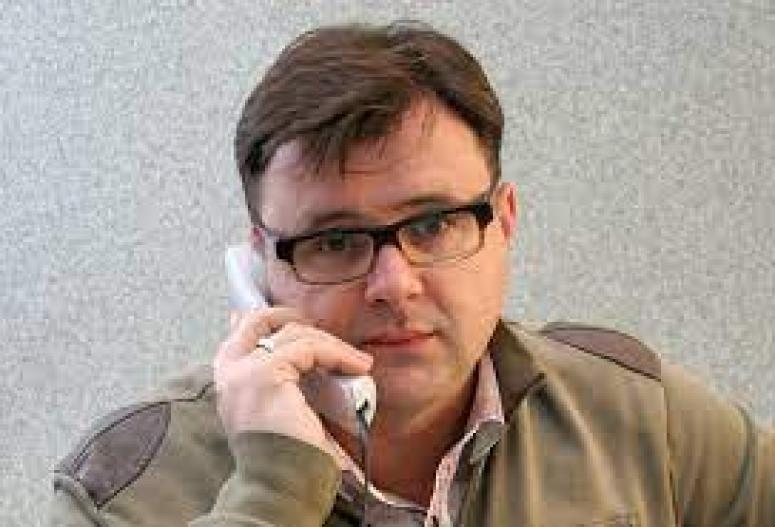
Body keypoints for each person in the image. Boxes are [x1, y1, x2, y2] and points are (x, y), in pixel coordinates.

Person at [51, 21, 774, 526]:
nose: (394, 284)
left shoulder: (639, 415)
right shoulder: (123, 491)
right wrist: (271, 491)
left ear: (504, 221)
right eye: (335, 241)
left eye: (432, 224)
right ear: (259, 262)